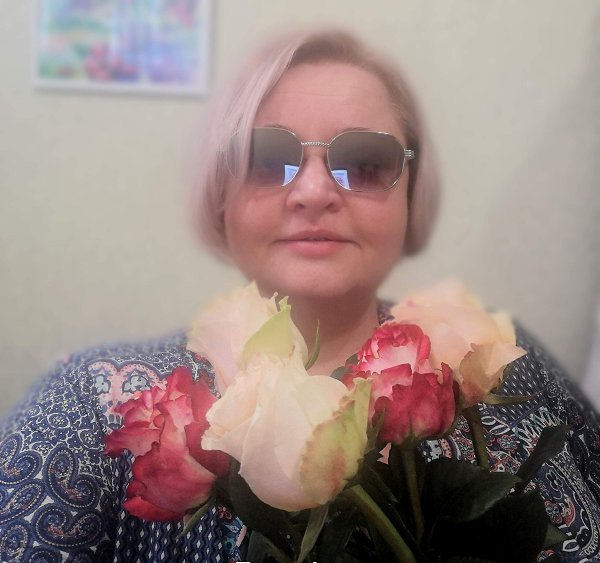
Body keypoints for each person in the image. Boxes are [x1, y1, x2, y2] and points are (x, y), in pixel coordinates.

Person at [1, 28, 599, 563]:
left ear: (410, 194)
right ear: (220, 195)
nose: (314, 192)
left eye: (365, 163)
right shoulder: (87, 405)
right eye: (268, 159)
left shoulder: (503, 359)